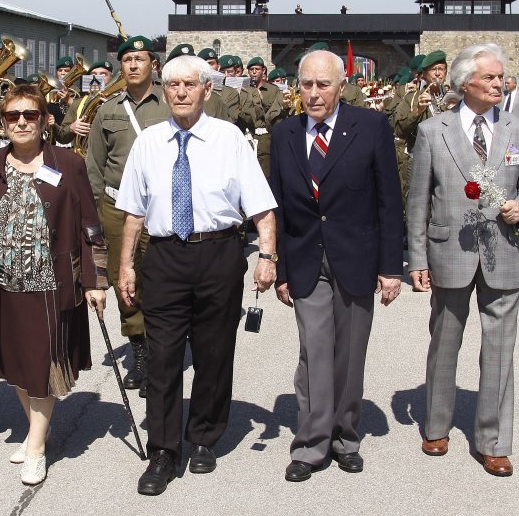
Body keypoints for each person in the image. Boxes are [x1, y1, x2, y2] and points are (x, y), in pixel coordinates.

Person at [116, 55, 278, 495]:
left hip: (219, 253)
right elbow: (132, 211)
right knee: (163, 356)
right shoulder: (148, 141)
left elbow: (262, 206)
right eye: (172, 85)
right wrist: (126, 265)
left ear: (207, 90)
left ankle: (204, 436)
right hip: (165, 257)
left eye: (189, 84)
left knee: (213, 351)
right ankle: (163, 451)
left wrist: (267, 255)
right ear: (164, 91)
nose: (181, 92)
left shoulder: (228, 139)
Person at [0, 84, 108, 485]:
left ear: (46, 120)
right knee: (16, 366)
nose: (21, 122)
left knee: (42, 365)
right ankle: (38, 428)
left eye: (30, 115)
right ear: (2, 123)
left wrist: (97, 280)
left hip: (52, 284)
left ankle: (36, 446)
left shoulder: (68, 164)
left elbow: (90, 223)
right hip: (3, 283)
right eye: (12, 116)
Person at [406, 43, 519, 477]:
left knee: (500, 348)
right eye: (490, 78)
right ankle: (437, 424)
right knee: (445, 342)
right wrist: (417, 259)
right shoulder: (433, 131)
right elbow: (418, 202)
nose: (499, 84)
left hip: (503, 251)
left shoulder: (518, 129)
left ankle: (494, 440)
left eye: (501, 78)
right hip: (450, 251)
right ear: (465, 83)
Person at [268, 50, 404, 482]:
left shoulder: (371, 127)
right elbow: (280, 207)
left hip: (357, 258)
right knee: (314, 352)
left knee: (349, 354)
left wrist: (391, 266)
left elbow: (388, 201)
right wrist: (282, 268)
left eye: (322, 85)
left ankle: (346, 436)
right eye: (306, 84)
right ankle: (310, 444)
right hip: (306, 259)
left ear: (341, 86)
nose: (313, 94)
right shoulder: (284, 132)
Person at [86, 35, 170, 397]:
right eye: (127, 60)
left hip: (163, 205)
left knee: (163, 277)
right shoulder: (108, 110)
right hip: (118, 206)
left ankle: (163, 350)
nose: (133, 65)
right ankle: (140, 353)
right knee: (126, 280)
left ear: (154, 64)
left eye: (140, 58)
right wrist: (93, 214)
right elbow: (95, 165)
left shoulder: (171, 103)